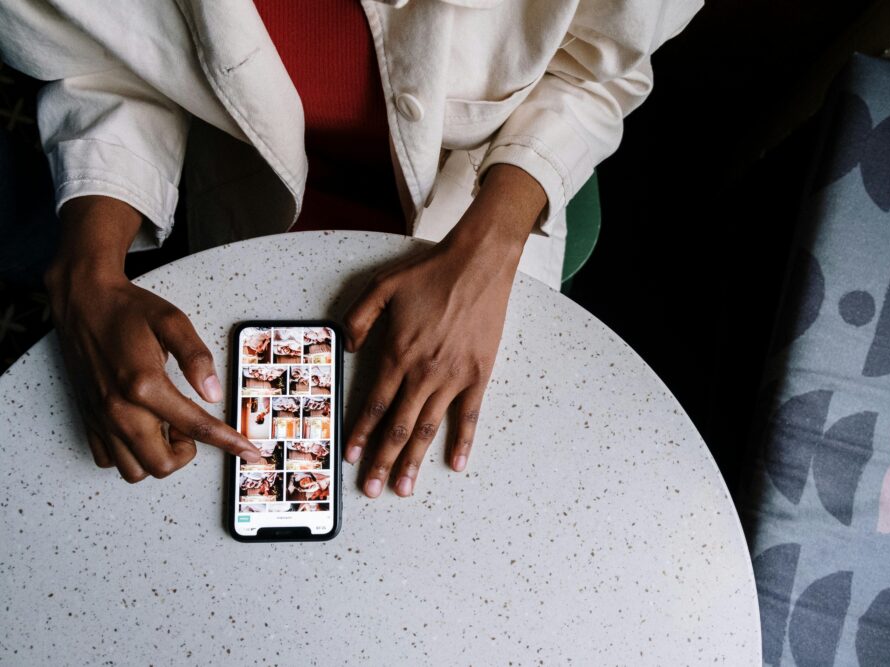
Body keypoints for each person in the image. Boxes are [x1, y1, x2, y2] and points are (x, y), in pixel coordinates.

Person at [0, 0, 702, 497]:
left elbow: (596, 69)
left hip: (488, 194)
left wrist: (486, 254)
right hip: (249, 191)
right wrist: (89, 265)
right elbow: (117, 63)